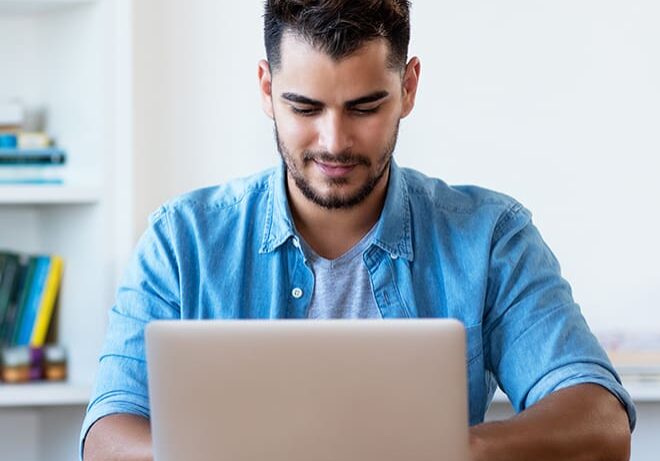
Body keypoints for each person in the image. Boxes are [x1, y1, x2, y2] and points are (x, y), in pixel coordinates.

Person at [81, 1, 635, 460]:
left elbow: (602, 422)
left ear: (409, 86)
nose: (334, 142)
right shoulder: (182, 241)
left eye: (364, 107)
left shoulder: (491, 236)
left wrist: (452, 451)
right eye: (304, 107)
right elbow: (105, 434)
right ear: (266, 88)